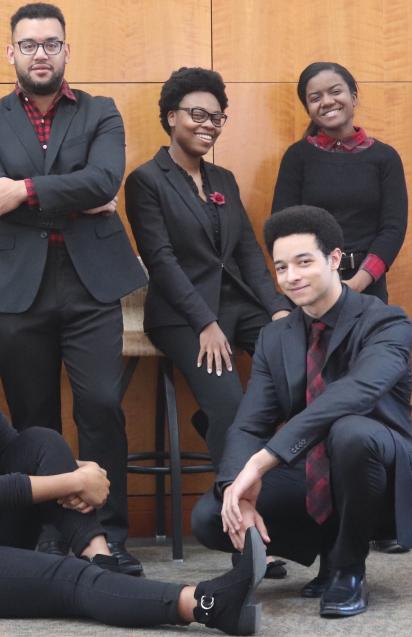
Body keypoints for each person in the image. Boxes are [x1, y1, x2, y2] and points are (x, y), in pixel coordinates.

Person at [0, 306, 266, 635]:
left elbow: (19, 454)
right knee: (65, 577)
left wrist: (77, 469)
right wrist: (77, 480)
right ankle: (206, 603)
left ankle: (100, 556)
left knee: (41, 440)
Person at [0, 2, 146, 574]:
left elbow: (104, 177)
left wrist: (27, 192)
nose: (39, 54)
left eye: (50, 44)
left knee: (99, 406)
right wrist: (73, 196)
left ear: (67, 50)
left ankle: (108, 532)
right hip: (20, 285)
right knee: (33, 418)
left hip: (92, 283)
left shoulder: (101, 111)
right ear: (10, 52)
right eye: (29, 44)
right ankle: (52, 532)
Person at [191, 206, 412, 618]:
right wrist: (237, 484)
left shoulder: (387, 322)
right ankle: (323, 550)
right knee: (213, 516)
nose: (292, 277)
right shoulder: (275, 336)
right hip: (309, 470)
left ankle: (348, 566)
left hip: (379, 472)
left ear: (334, 259)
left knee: (350, 431)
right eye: (282, 267)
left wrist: (264, 460)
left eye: (304, 262)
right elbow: (251, 422)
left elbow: (355, 393)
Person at [125, 67, 290, 506]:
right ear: (171, 116)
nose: (208, 125)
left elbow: (249, 253)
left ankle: (220, 427)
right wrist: (204, 321)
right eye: (197, 113)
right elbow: (160, 261)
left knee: (300, 369)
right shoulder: (146, 180)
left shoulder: (225, 180)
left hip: (240, 303)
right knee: (231, 409)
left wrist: (277, 309)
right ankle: (241, 525)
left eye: (217, 117)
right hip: (183, 315)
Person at [271, 62, 407, 303]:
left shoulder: (385, 157)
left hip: (367, 287)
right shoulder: (297, 156)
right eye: (315, 97)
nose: (326, 101)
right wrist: (316, 276)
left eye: (335, 91)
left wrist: (358, 282)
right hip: (310, 284)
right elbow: (282, 226)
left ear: (353, 98)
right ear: (309, 108)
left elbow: (393, 229)